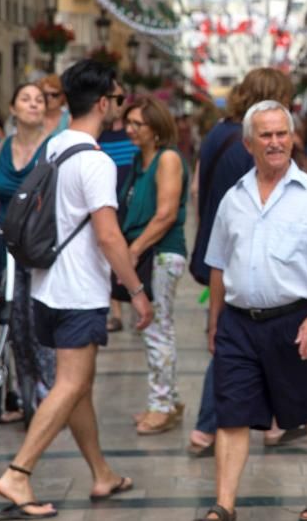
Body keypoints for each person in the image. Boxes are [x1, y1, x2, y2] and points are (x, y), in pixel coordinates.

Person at [0, 59, 153, 519]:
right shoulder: (96, 161)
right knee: (71, 384)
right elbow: (108, 236)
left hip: (44, 286)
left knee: (77, 385)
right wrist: (137, 290)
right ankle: (18, 473)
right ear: (103, 103)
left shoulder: (55, 145)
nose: (118, 107)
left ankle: (101, 473)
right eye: (118, 99)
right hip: (78, 291)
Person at [200, 100, 307, 521]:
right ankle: (224, 505)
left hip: (295, 320)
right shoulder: (234, 199)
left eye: (281, 133)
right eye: (265, 135)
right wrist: (214, 322)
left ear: (292, 138)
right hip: (238, 323)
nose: (274, 142)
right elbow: (218, 265)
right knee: (230, 413)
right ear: (249, 143)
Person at [188, 67, 296, 456]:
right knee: (232, 341)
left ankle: (271, 422)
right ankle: (206, 427)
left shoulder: (219, 132)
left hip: (216, 246)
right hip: (241, 255)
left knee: (243, 339)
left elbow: (199, 187)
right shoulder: (248, 147)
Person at [0, 83, 53, 419]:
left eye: (40, 100)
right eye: (26, 99)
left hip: (42, 251)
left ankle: (49, 397)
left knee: (40, 325)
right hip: (8, 251)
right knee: (14, 327)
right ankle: (24, 400)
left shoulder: (54, 148)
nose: (34, 104)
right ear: (12, 108)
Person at [120, 95, 189, 435]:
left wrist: (133, 250)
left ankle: (161, 404)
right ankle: (168, 399)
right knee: (152, 326)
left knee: (157, 327)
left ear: (156, 127)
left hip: (160, 253)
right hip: (144, 252)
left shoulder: (168, 159)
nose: (129, 129)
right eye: (128, 122)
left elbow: (166, 214)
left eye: (137, 124)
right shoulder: (138, 161)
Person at [98, 82, 136, 333]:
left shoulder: (134, 132)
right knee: (110, 255)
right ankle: (117, 312)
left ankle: (135, 305)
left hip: (131, 205)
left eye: (123, 100)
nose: (119, 105)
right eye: (116, 99)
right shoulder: (98, 134)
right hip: (107, 203)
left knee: (133, 254)